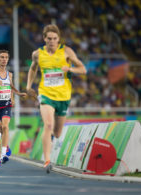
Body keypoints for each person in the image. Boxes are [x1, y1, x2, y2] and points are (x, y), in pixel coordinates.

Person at [26, 24, 87, 173]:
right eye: (49, 38)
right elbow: (33, 68)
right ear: (44, 39)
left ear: (58, 39)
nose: (52, 41)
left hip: (63, 96)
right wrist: (28, 86)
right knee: (47, 125)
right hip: (46, 94)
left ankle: (51, 139)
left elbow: (83, 69)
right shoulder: (37, 54)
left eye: (54, 38)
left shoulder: (66, 51)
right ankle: (47, 161)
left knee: (57, 133)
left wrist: (70, 69)